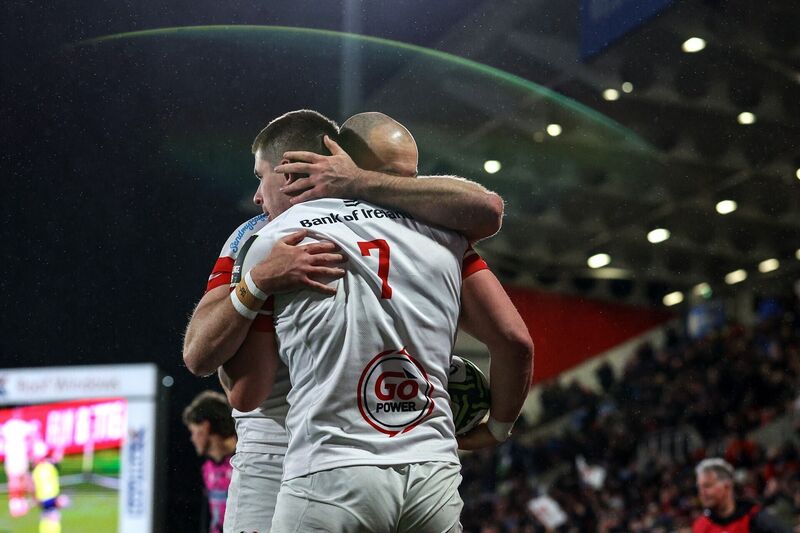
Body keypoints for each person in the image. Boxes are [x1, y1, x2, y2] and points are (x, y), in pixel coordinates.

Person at [183, 111, 528, 533]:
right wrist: (498, 427)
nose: (406, 188)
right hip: (418, 458)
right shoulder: (435, 232)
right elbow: (514, 339)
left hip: (319, 458)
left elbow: (239, 389)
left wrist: (253, 287)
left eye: (409, 179)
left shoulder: (266, 238)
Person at [182, 391, 238, 533]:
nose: (192, 438)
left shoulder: (242, 460)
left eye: (193, 431)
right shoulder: (207, 468)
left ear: (205, 427)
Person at [693, 458, 792, 533]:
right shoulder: (701, 526)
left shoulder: (755, 517)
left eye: (707, 486)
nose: (702, 492)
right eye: (699, 487)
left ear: (727, 486)